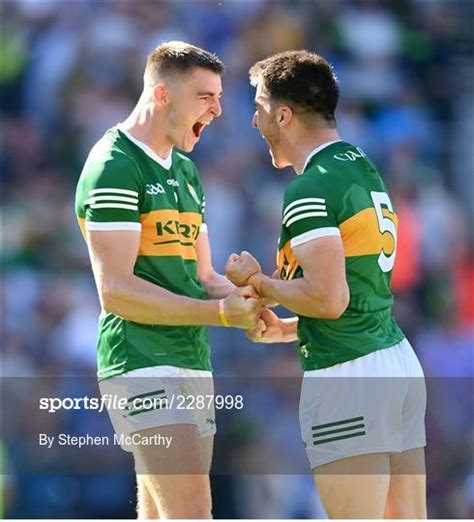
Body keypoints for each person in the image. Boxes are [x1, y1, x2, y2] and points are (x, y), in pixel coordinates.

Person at [226, 50, 427, 519]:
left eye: (257, 109)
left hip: (347, 374)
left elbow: (329, 297)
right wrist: (293, 328)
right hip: (392, 359)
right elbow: (352, 295)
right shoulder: (359, 163)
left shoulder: (308, 186)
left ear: (283, 114)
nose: (254, 123)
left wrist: (261, 283)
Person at [75, 41, 262, 519]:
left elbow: (202, 276)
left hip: (191, 357)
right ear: (162, 95)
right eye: (206, 97)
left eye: (219, 97)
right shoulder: (114, 164)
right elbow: (115, 291)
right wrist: (221, 313)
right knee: (192, 511)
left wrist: (260, 299)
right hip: (139, 359)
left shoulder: (185, 171)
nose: (219, 110)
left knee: (163, 513)